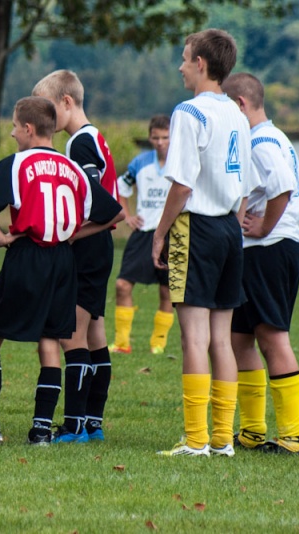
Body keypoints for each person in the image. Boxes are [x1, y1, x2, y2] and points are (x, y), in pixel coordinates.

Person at [0, 97, 123, 445]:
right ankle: (42, 430)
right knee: (49, 342)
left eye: (15, 127)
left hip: (27, 255)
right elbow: (115, 214)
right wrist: (72, 234)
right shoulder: (72, 167)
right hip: (63, 260)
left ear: (28, 129)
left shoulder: (19, 163)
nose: (12, 133)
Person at [151, 29, 256, 457]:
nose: (180, 66)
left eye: (184, 58)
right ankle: (222, 440)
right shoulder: (237, 112)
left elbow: (181, 185)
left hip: (196, 227)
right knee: (221, 338)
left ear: (200, 63)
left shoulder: (189, 112)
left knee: (193, 338)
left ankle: (196, 441)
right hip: (230, 230)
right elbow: (246, 186)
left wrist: (160, 233)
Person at [222, 72, 299, 455]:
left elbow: (284, 188)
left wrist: (265, 225)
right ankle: (253, 431)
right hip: (262, 250)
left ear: (240, 105)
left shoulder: (260, 142)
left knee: (272, 336)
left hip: (268, 249)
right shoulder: (278, 138)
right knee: (239, 337)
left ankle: (292, 436)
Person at [32, 70, 120, 442]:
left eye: (49, 108)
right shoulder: (94, 135)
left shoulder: (79, 143)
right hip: (100, 248)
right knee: (95, 334)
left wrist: (71, 234)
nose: (45, 117)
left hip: (89, 247)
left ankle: (75, 424)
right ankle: (93, 423)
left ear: (66, 102)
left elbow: (99, 202)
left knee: (72, 336)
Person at [111, 115, 175, 355]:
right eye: (156, 137)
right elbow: (121, 188)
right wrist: (127, 216)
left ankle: (158, 344)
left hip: (171, 235)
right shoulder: (140, 162)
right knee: (122, 285)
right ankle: (122, 343)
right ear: (150, 137)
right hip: (143, 233)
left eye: (165, 137)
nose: (160, 142)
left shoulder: (182, 163)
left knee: (167, 291)